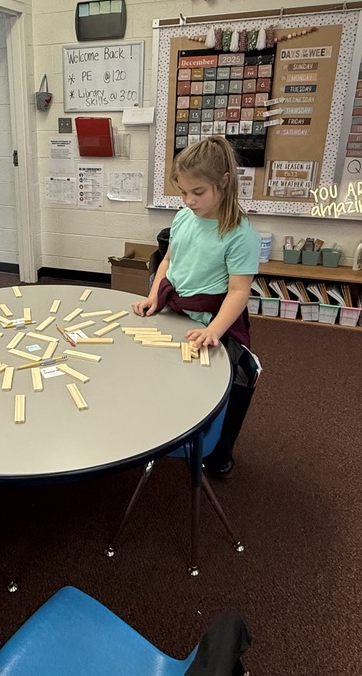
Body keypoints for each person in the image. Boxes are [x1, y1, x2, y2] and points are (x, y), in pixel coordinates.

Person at [131, 136, 259, 479]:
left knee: (227, 387)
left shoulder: (240, 234)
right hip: (175, 311)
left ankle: (218, 452)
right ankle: (160, 431)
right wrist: (155, 295)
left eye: (197, 192)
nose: (188, 200)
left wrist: (214, 330)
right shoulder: (184, 216)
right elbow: (169, 260)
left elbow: (238, 291)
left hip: (211, 320)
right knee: (160, 375)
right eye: (182, 192)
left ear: (225, 183)